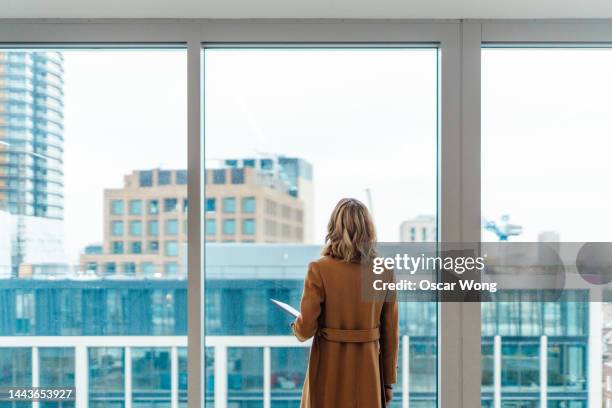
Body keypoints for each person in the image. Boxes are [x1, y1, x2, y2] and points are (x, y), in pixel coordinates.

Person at [292, 198, 399, 408]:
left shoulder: (318, 269)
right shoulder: (384, 271)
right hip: (368, 371)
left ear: (333, 228)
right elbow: (390, 332)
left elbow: (305, 330)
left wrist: (296, 325)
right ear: (369, 230)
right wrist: (387, 383)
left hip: (327, 369)